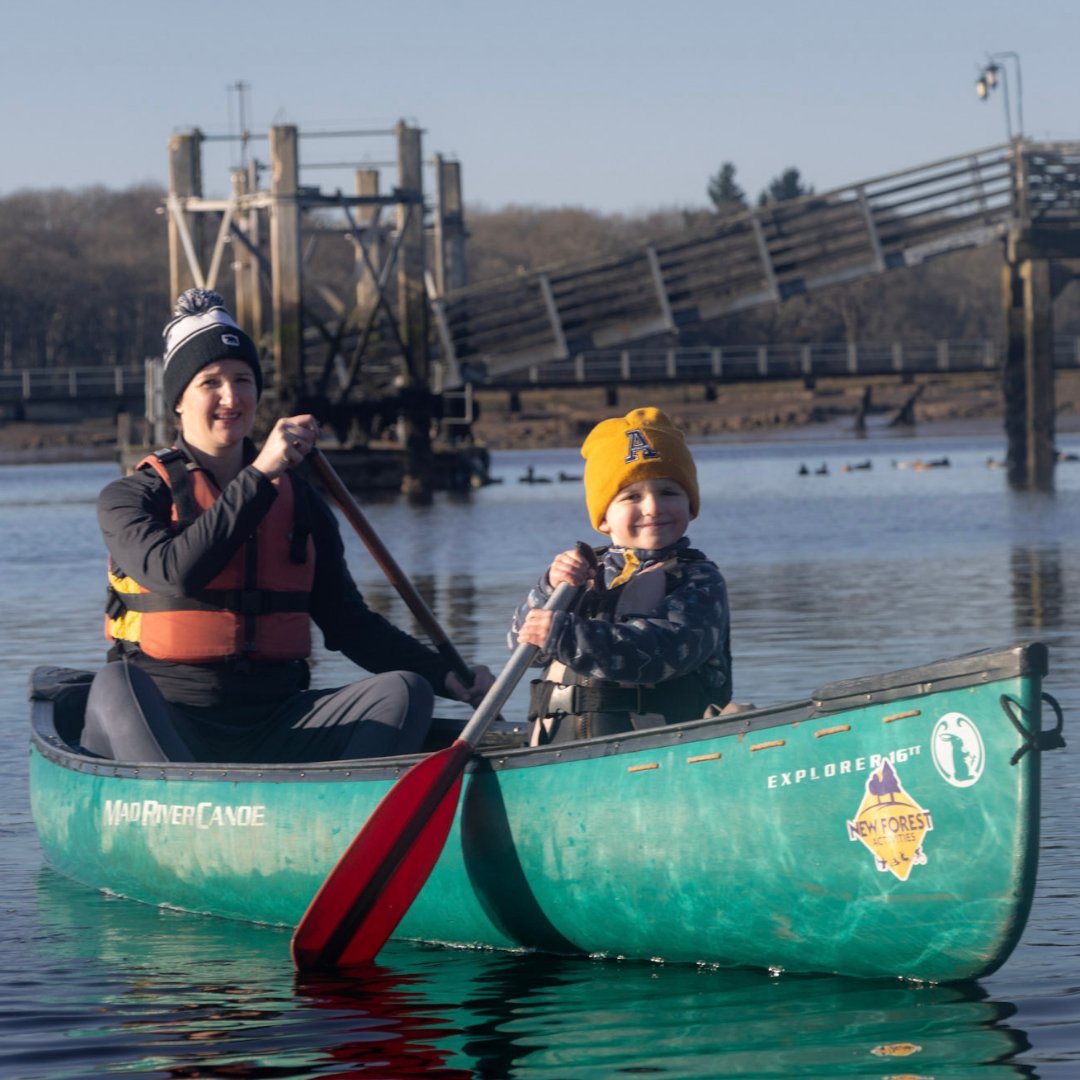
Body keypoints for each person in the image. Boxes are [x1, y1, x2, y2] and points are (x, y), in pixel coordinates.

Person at [82, 288, 493, 764]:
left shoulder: (301, 503)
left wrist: (446, 675)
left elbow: (349, 624)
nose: (230, 398)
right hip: (170, 721)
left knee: (405, 691)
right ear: (178, 400)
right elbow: (175, 573)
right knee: (115, 684)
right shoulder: (131, 497)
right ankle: (177, 812)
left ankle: (345, 819)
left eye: (242, 380)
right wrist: (258, 476)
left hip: (278, 720)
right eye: (210, 383)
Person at [511, 406, 732, 745]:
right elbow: (521, 649)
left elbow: (662, 653)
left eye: (669, 493)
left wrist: (566, 635)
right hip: (557, 748)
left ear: (690, 505)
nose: (653, 508)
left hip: (655, 747)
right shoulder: (578, 574)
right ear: (603, 520)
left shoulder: (699, 581)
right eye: (632, 497)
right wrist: (548, 590)